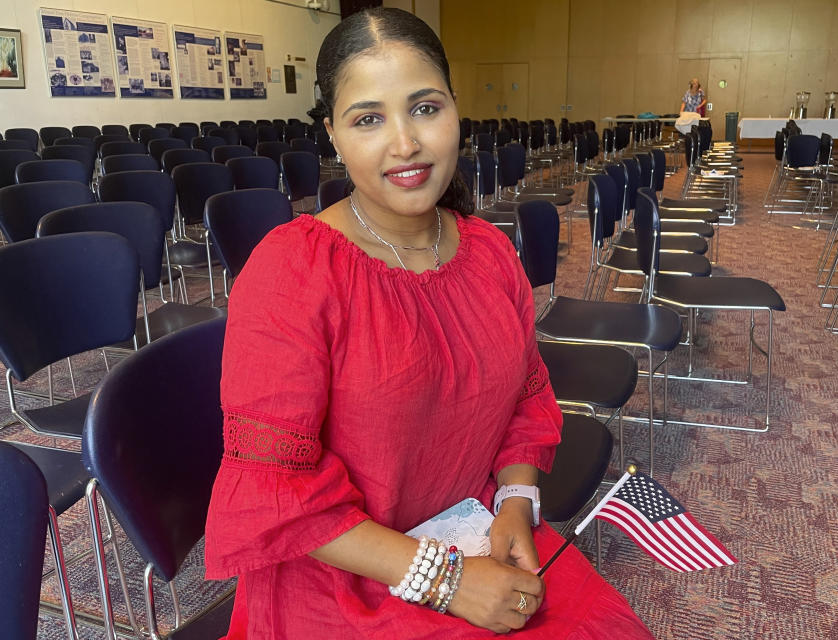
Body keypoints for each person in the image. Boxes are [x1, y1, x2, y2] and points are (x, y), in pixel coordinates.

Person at [203, 7, 656, 639]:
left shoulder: (488, 251)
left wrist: (516, 503)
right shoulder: (292, 273)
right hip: (344, 573)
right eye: (369, 119)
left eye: (425, 108)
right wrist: (444, 579)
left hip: (475, 529)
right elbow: (280, 491)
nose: (405, 144)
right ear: (332, 134)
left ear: (455, 110)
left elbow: (526, 397)